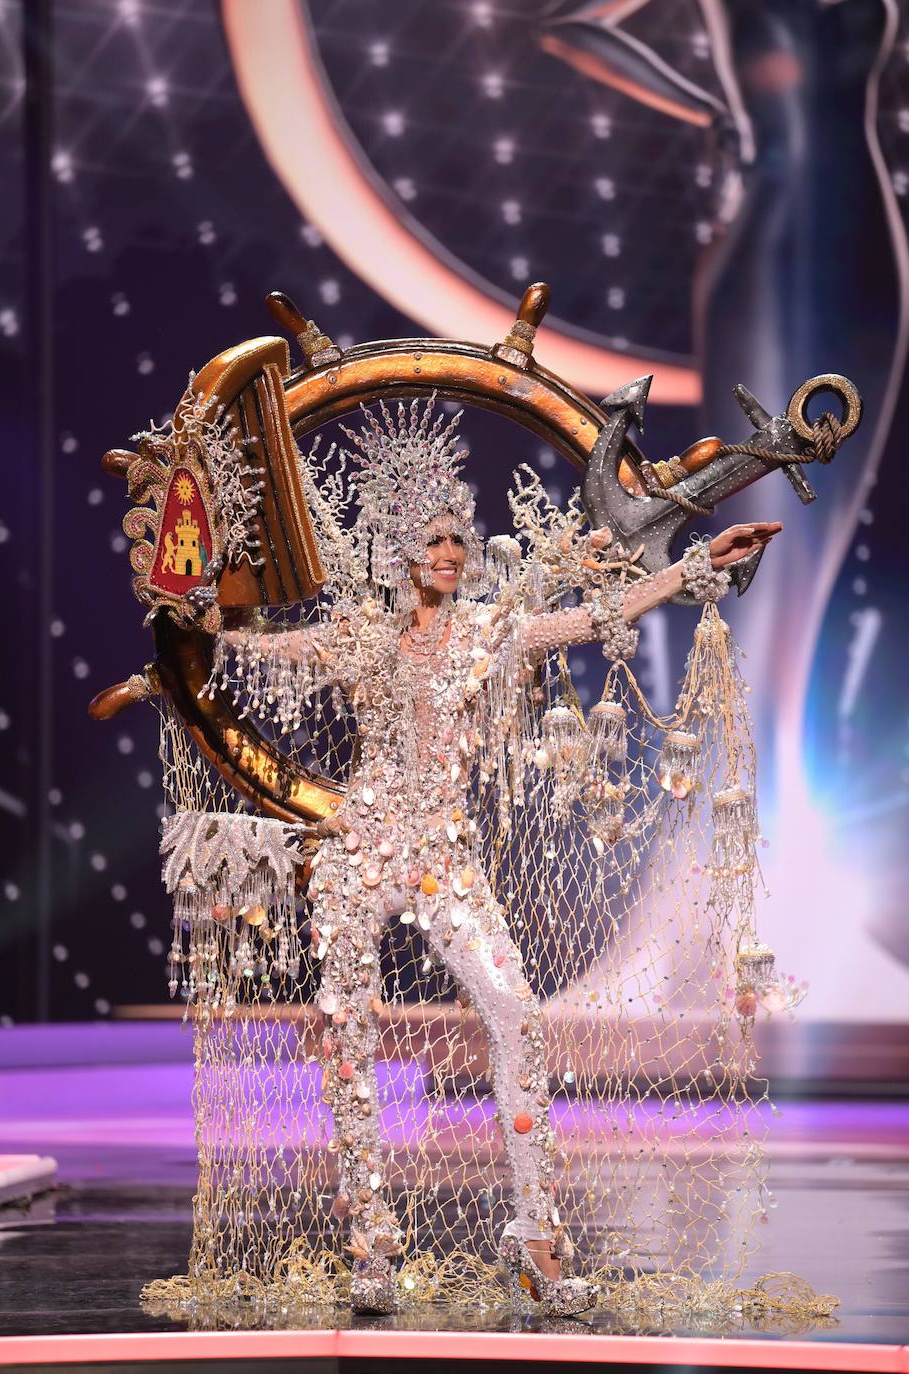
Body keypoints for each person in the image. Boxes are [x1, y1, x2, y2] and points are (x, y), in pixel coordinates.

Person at [217, 397, 778, 1315]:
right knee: (347, 1035)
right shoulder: (364, 637)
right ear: (399, 549)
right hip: (361, 850)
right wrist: (198, 626)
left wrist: (688, 567)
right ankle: (369, 1243)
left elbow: (598, 613)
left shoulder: (489, 633)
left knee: (516, 1012)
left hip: (446, 856)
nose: (450, 552)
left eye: (459, 539)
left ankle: (539, 1245)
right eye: (432, 540)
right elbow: (271, 652)